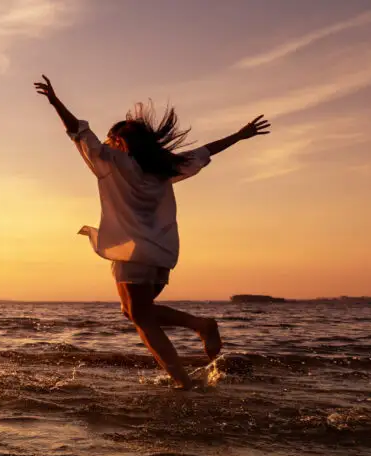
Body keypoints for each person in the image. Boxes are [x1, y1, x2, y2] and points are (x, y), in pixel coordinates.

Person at [34, 75, 271, 388]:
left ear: (119, 142)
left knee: (142, 318)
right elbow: (204, 152)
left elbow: (78, 130)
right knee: (133, 312)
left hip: (133, 252)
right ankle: (195, 334)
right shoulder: (163, 166)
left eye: (109, 139)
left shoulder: (112, 161)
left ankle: (186, 370)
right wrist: (238, 136)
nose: (104, 144)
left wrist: (55, 102)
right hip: (161, 254)